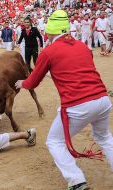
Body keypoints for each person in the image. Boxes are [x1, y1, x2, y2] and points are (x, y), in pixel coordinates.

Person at [15, 10, 113, 190]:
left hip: (78, 104)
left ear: (51, 29)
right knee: (104, 136)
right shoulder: (82, 46)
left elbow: (33, 82)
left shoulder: (49, 51)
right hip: (102, 99)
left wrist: (23, 83)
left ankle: (77, 181)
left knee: (54, 141)